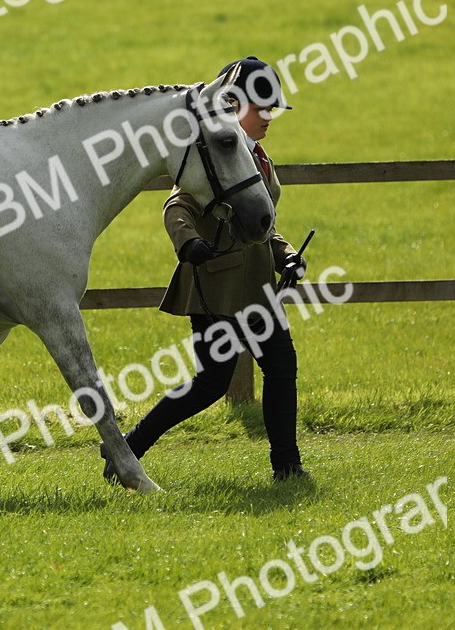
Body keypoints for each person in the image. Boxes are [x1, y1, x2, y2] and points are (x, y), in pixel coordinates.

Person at [104, 57, 310, 482]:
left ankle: (287, 467)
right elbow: (177, 205)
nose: (270, 118)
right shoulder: (213, 155)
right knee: (211, 384)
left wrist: (287, 255)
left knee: (282, 367)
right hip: (215, 289)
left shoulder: (259, 158)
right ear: (234, 106)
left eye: (273, 109)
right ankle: (128, 447)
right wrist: (188, 243)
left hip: (257, 289)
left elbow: (262, 226)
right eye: (262, 108)